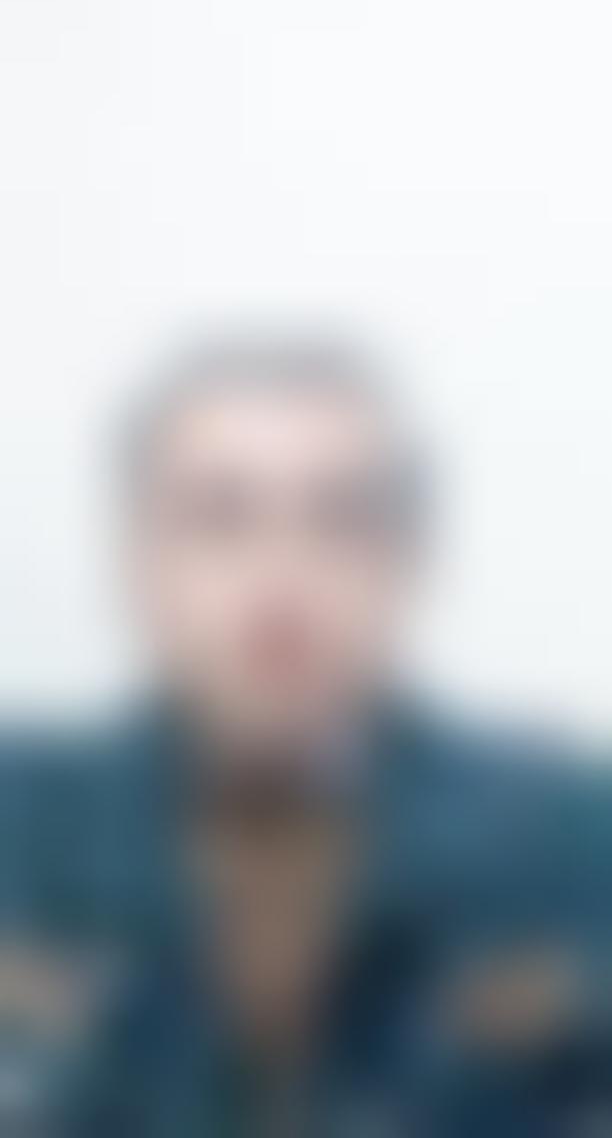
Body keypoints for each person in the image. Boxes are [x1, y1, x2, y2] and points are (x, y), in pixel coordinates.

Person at [1, 332, 611, 1137]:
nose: (282, 574)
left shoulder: (569, 840)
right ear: (138, 558)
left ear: (408, 560)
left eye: (341, 521)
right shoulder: (20, 830)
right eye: (220, 518)